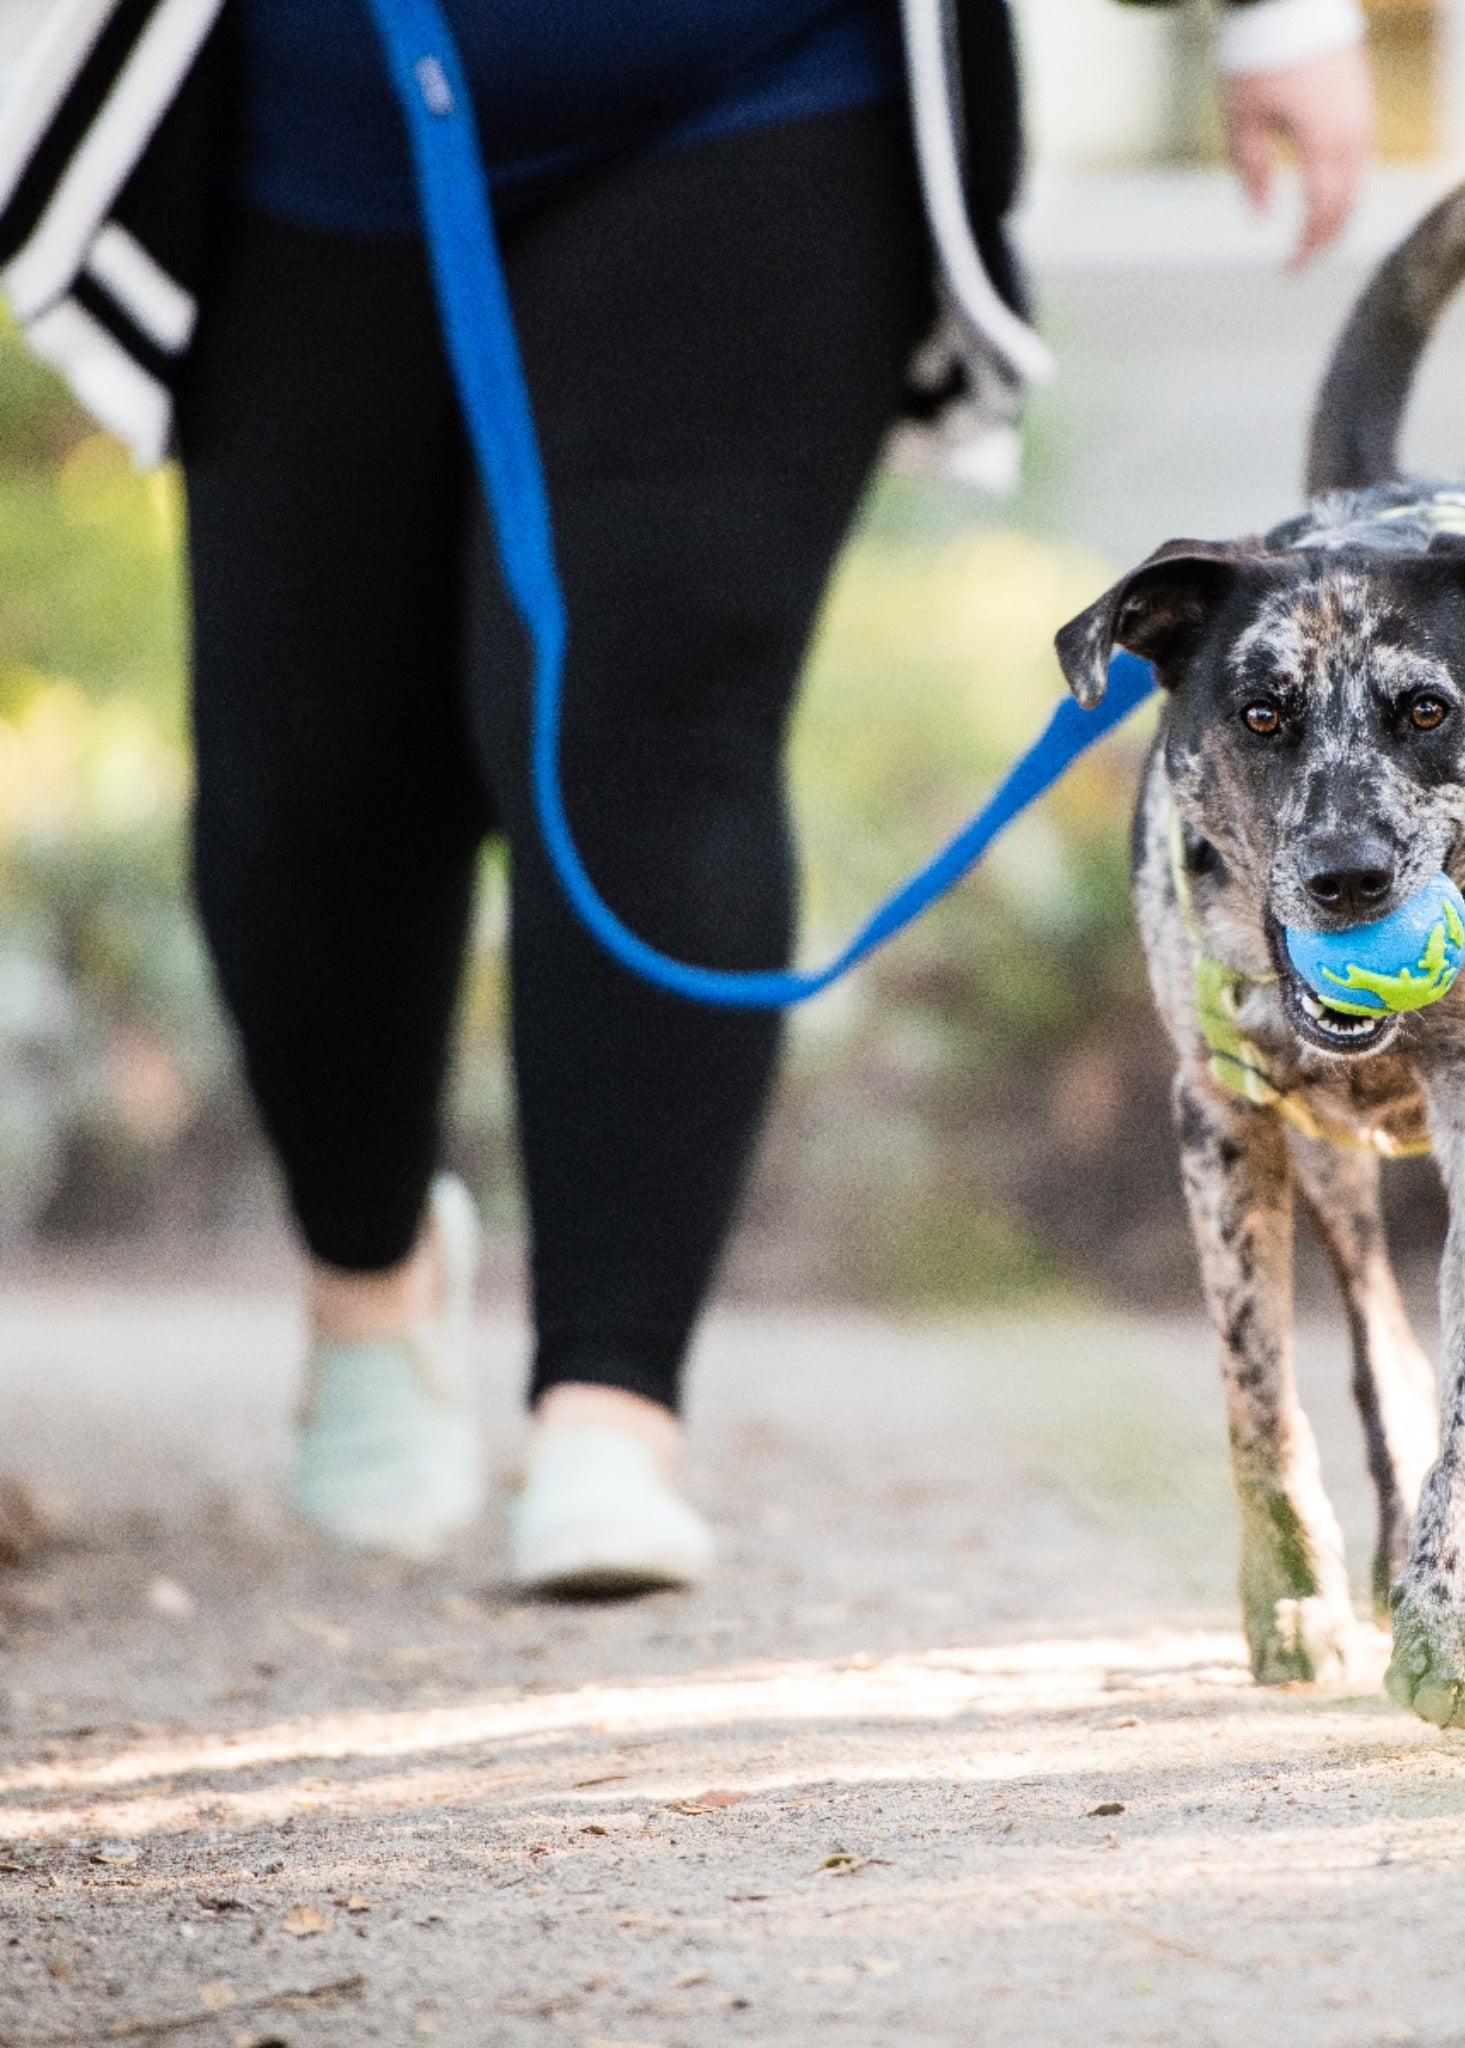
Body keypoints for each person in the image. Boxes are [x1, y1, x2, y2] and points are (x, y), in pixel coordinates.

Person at [0, 0, 1374, 1593]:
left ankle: (611, 1402)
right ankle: (370, 1281)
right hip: (312, 113)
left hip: (756, 88)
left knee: (648, 711)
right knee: (309, 786)